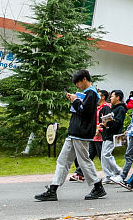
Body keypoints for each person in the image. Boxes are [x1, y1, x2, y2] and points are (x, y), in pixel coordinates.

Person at [34, 69, 106, 202]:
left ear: (84, 79)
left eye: (78, 82)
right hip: (74, 132)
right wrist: (75, 100)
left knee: (84, 161)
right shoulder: (86, 93)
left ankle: (98, 186)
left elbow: (85, 111)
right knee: (63, 161)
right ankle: (53, 189)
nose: (77, 85)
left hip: (81, 133)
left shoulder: (91, 93)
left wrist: (75, 101)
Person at [99, 89, 127, 183]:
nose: (110, 98)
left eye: (112, 96)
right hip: (107, 133)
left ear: (118, 97)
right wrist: (105, 124)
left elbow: (118, 123)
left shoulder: (121, 109)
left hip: (113, 135)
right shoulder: (113, 108)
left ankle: (117, 171)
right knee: (103, 155)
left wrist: (109, 123)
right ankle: (108, 175)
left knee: (106, 154)